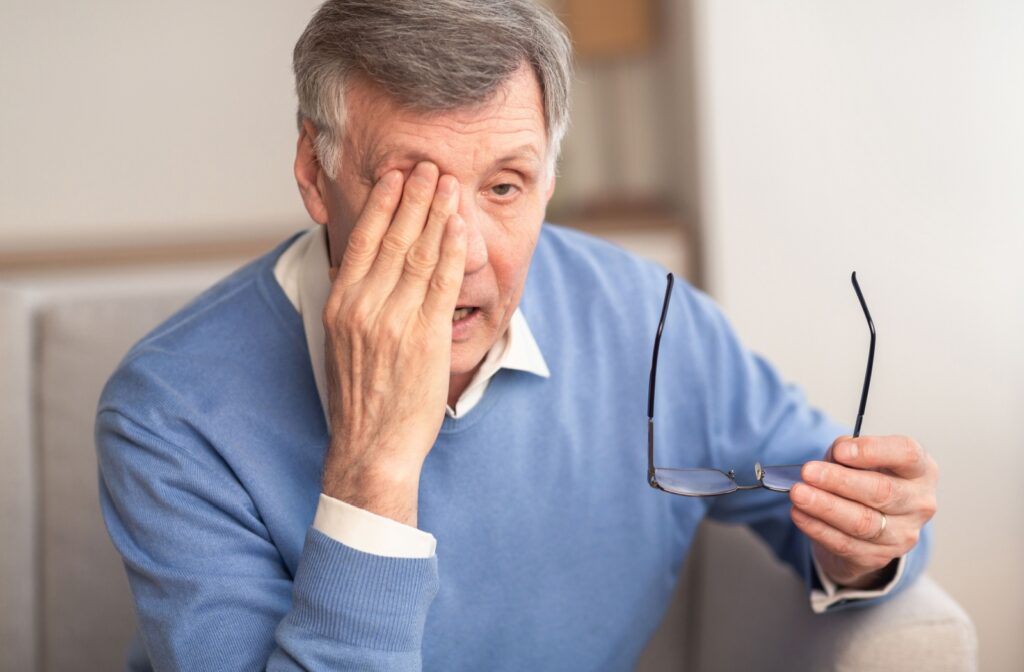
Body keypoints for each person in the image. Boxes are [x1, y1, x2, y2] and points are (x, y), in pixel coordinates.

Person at [95, 1, 939, 670]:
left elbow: (843, 523)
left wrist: (871, 539)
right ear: (316, 175)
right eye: (408, 190)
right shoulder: (170, 409)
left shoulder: (650, 321)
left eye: (504, 187)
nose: (460, 254)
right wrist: (376, 466)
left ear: (550, 179)